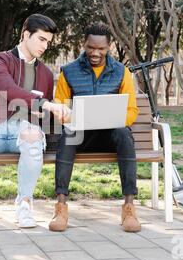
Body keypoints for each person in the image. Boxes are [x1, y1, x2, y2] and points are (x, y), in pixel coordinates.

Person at [0, 14, 70, 229]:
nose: (45, 46)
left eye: (48, 42)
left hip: (25, 130)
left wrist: (50, 114)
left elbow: (43, 113)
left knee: (31, 134)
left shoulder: (46, 73)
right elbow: (7, 89)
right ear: (26, 35)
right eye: (41, 39)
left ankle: (24, 205)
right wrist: (45, 104)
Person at [49, 22, 142, 233]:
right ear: (84, 44)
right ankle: (61, 207)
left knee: (124, 134)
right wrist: (70, 117)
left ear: (109, 47)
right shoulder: (69, 71)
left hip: (109, 136)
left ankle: (129, 207)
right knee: (68, 135)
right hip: (81, 137)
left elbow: (132, 110)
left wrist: (116, 120)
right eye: (91, 47)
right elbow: (59, 104)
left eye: (101, 48)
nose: (95, 52)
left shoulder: (122, 72)